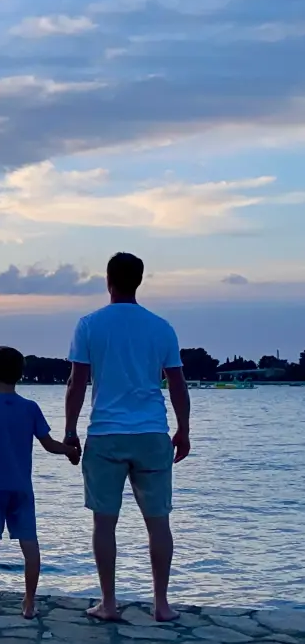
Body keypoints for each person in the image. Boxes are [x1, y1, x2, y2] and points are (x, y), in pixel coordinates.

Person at [64, 251, 190, 624]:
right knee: (158, 521)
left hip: (106, 434)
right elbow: (178, 385)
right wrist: (183, 429)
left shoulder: (89, 325)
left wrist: (70, 431)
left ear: (109, 280)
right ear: (139, 280)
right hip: (152, 432)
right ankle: (162, 605)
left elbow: (77, 383)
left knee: (105, 522)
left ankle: (109, 602)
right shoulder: (161, 327)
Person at [0, 346, 78, 619]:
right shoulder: (30, 408)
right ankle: (29, 603)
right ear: (20, 374)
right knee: (29, 543)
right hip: (22, 487)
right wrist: (70, 450)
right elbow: (48, 444)